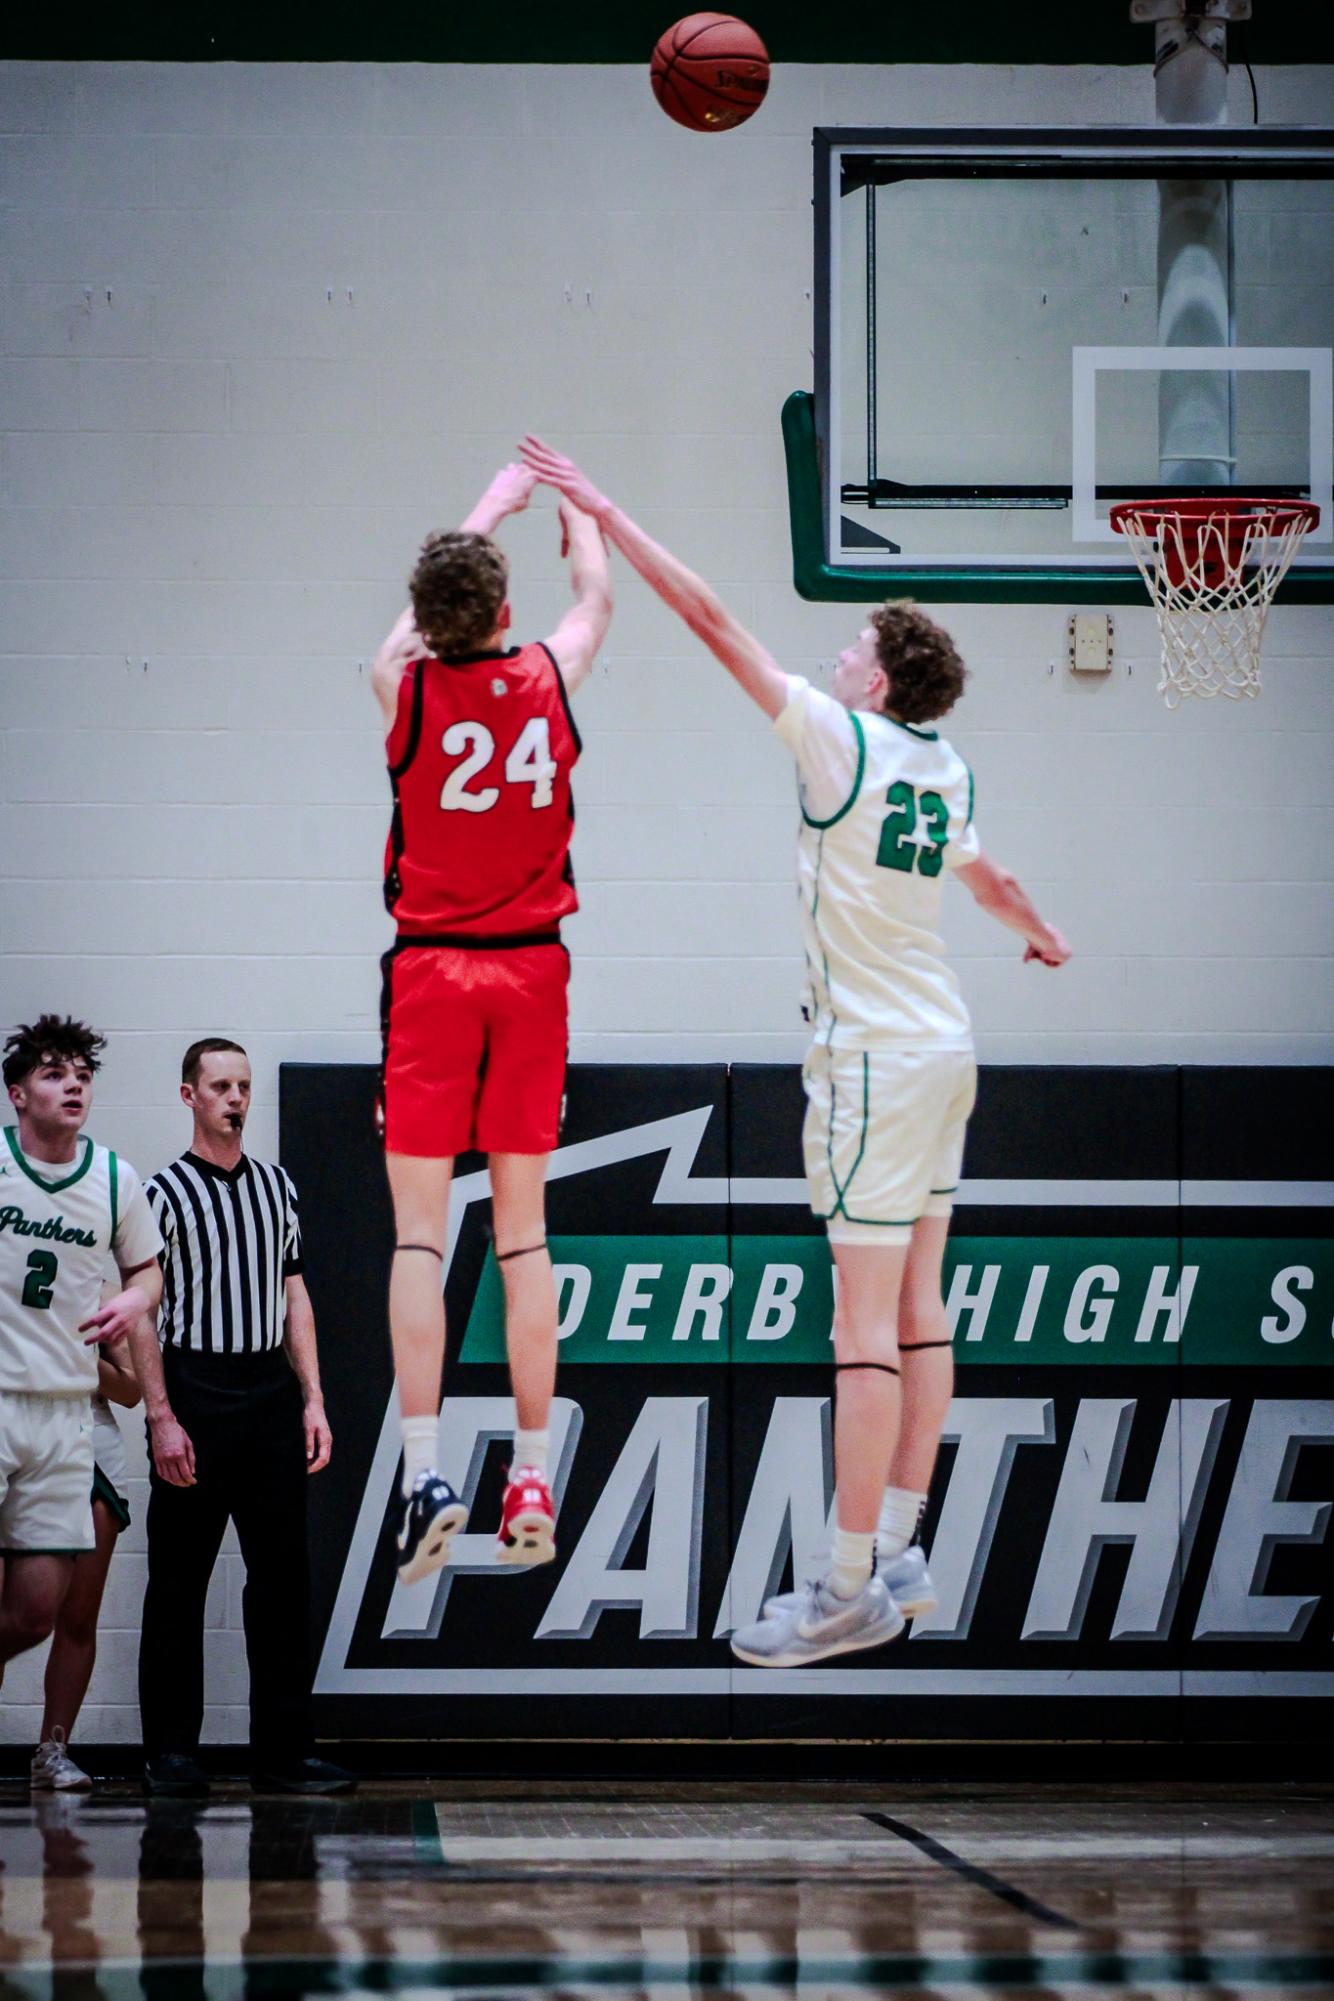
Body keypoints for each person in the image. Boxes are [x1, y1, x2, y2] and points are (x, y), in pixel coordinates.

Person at [519, 435, 1070, 1667]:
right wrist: (1040, 935)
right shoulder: (944, 762)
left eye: (856, 648)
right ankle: (907, 1544)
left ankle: (843, 1585)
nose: (839, 654)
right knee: (924, 1317)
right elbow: (994, 879)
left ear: (876, 684)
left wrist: (609, 509)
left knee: (861, 1333)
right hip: (945, 1048)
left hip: (871, 1060)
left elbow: (715, 623)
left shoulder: (842, 740)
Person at [370, 464, 612, 1585]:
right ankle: (529, 1472)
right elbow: (594, 603)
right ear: (506, 617)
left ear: (428, 619)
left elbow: (417, 619)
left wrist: (483, 504)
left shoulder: (402, 687)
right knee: (523, 1238)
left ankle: (424, 1468)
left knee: (420, 1235)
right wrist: (582, 521)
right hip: (529, 977)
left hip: (429, 974)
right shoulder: (550, 672)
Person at [130, 1038, 349, 1797]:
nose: (236, 1097)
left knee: (284, 1578)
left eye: (244, 1085)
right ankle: (171, 1751)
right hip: (196, 1386)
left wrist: (313, 1396)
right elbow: (143, 1316)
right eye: (220, 1085)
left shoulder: (278, 1188)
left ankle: (284, 1749)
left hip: (268, 1391)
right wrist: (160, 1415)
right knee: (179, 1580)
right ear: (189, 1095)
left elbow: (295, 1296)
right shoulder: (160, 1194)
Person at [0, 1017, 162, 1701]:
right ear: (17, 1093)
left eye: (83, 1075)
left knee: (38, 1610)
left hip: (67, 1414)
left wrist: (132, 1302)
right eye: (53, 1073)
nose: (72, 1085)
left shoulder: (114, 1177)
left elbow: (148, 1272)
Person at [30, 1320, 141, 1790]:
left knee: (77, 1615)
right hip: (20, 1438)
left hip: (92, 1442)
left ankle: (52, 1752)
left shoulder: (100, 1295)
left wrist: (80, 1359)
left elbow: (132, 1390)